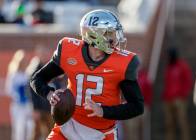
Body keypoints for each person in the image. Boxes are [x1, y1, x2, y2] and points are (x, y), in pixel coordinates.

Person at [30, 9, 144, 140]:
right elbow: (37, 78)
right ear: (94, 35)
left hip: (102, 134)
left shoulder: (122, 63)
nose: (115, 38)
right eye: (110, 33)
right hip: (68, 127)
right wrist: (49, 94)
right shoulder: (70, 51)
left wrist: (103, 111)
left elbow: (137, 106)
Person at [162, 47, 193, 140]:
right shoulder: (169, 67)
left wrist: (183, 94)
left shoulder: (183, 66)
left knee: (182, 123)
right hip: (168, 99)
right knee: (169, 124)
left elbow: (188, 81)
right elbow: (167, 83)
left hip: (179, 99)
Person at [26, 45, 54, 140]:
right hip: (39, 107)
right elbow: (30, 91)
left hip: (48, 105)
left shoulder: (47, 68)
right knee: (36, 133)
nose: (46, 56)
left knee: (50, 131)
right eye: (43, 54)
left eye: (46, 54)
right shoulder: (34, 70)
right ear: (38, 55)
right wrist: (34, 108)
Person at [5, 50, 33, 140]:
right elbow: (8, 90)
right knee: (18, 128)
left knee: (30, 127)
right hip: (17, 105)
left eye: (24, 61)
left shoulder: (28, 74)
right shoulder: (13, 75)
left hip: (28, 105)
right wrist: (17, 95)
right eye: (21, 61)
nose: (23, 63)